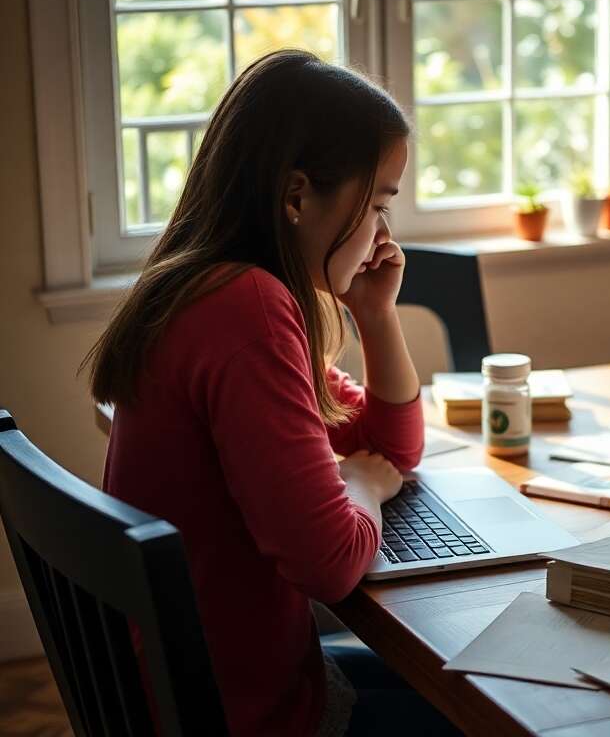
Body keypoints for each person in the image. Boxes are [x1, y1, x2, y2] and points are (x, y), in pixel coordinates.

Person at [86, 50, 458, 735]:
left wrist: (376, 314)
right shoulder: (248, 309)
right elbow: (329, 564)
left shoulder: (215, 286)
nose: (384, 233)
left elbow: (392, 449)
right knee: (488, 708)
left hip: (196, 688)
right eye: (376, 204)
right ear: (296, 197)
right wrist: (363, 489)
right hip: (245, 714)